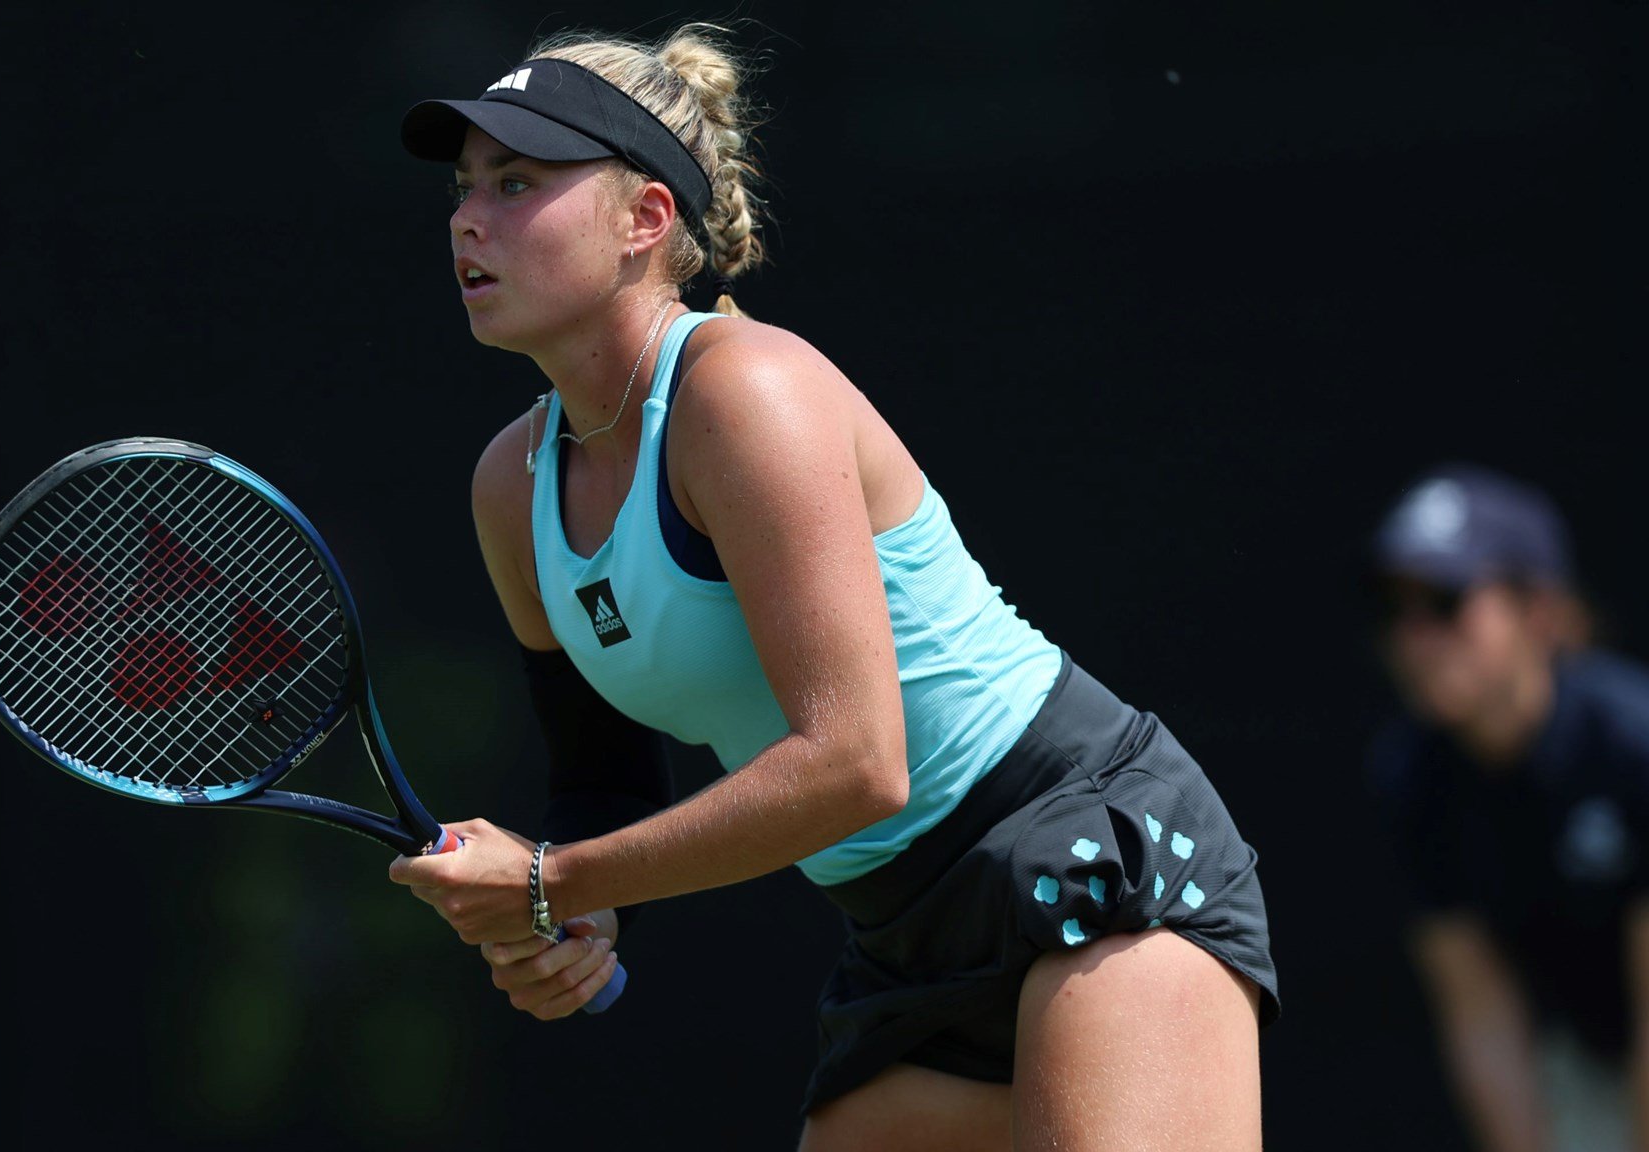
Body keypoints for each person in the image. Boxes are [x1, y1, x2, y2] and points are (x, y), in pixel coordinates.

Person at [384, 23, 1280, 1149]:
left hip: (1083, 849)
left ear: (644, 220)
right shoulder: (508, 488)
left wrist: (551, 882)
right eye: (465, 187)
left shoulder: (744, 392)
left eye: (516, 182)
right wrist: (578, 906)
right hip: (900, 936)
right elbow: (599, 775)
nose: (468, 217)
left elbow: (856, 764)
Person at [1364, 464, 1649, 1152]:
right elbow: (1481, 1013)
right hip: (1590, 1058)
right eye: (1395, 611)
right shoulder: (1414, 776)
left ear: (1540, 612)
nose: (1416, 637)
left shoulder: (1633, 745)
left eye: (1445, 602)